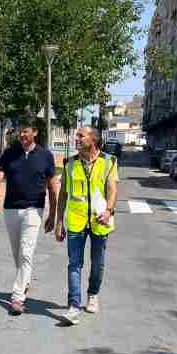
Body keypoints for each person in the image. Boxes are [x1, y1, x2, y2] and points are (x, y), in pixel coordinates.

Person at [0, 123, 58, 315]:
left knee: (26, 253)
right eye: (20, 131)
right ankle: (24, 281)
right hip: (11, 209)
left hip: (34, 209)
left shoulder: (45, 156)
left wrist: (53, 215)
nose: (22, 134)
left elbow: (53, 186)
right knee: (18, 254)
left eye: (26, 131)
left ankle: (17, 298)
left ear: (34, 132)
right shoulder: (10, 153)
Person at [55, 126, 119, 325]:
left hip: (100, 220)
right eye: (77, 135)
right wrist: (59, 221)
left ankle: (93, 294)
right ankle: (74, 305)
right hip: (76, 220)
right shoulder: (70, 163)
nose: (77, 138)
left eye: (81, 136)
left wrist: (108, 211)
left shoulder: (109, 162)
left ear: (93, 139)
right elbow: (63, 194)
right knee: (74, 264)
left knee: (97, 264)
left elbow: (112, 190)